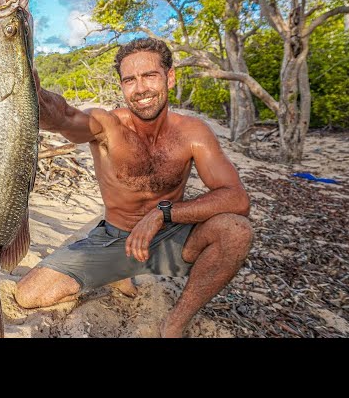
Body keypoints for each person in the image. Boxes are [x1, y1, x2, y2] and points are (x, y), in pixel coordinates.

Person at [15, 37, 253, 338]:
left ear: (170, 77)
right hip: (116, 238)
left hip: (171, 236)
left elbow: (237, 198)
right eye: (129, 80)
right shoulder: (107, 125)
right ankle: (116, 273)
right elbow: (63, 116)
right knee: (28, 294)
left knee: (235, 230)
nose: (140, 89)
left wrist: (162, 214)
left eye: (149, 76)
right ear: (122, 86)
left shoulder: (193, 132)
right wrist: (32, 94)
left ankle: (175, 324)